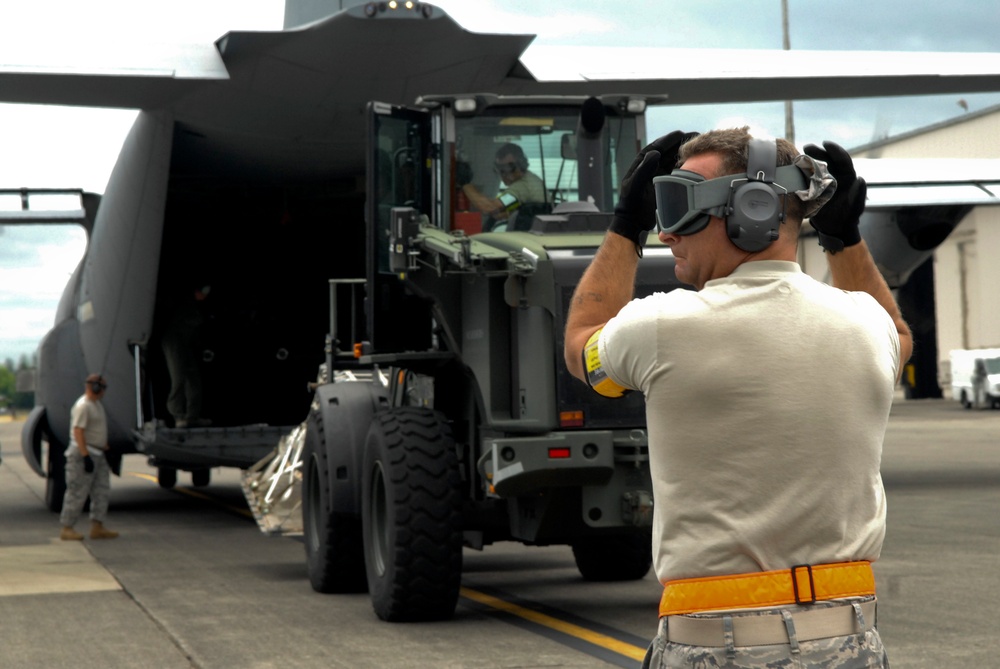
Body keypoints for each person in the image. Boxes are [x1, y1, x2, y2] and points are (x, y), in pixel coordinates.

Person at [564, 128, 913, 668]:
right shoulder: (867, 323)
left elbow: (579, 343)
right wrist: (844, 237)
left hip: (714, 643)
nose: (666, 234)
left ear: (751, 210)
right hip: (850, 640)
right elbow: (899, 334)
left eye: (678, 207)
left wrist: (624, 228)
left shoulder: (661, 325)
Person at [60, 373, 119, 540]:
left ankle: (97, 525)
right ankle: (67, 527)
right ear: (95, 387)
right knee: (77, 492)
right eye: (103, 387)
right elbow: (78, 431)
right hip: (83, 454)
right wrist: (85, 456)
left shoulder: (96, 405)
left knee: (101, 490)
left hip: (98, 454)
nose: (104, 391)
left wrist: (106, 449)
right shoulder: (83, 406)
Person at [459, 143, 548, 228]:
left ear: (521, 164)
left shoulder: (521, 187)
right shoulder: (531, 179)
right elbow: (503, 207)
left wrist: (465, 183)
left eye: (509, 167)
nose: (504, 174)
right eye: (500, 168)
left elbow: (489, 207)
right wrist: (507, 212)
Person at [161, 284, 212, 428]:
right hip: (173, 342)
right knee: (178, 377)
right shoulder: (184, 304)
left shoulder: (198, 307)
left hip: (185, 344)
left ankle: (192, 416)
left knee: (193, 379)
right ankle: (178, 415)